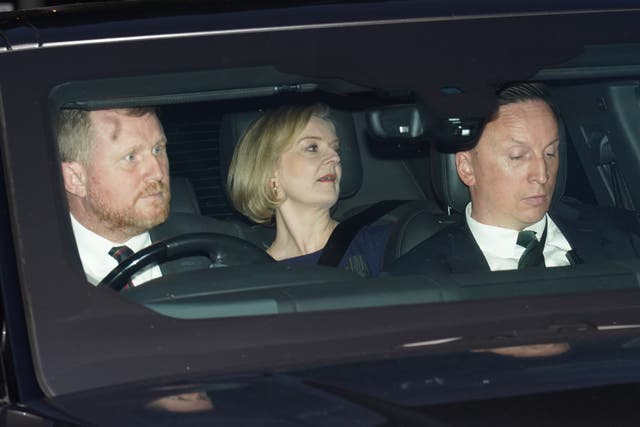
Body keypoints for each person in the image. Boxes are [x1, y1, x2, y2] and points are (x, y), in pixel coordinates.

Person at [389, 82, 640, 275]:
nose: (542, 174)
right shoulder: (417, 277)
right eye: (518, 156)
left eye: (550, 152)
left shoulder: (627, 235)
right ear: (466, 168)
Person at [58, 107, 224, 287]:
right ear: (75, 178)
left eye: (158, 149)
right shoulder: (36, 274)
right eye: (131, 157)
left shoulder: (217, 248)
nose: (157, 172)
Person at [227, 103, 390, 277]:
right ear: (269, 172)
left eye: (335, 149)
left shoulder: (386, 244)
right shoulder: (252, 276)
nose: (335, 158)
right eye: (312, 148)